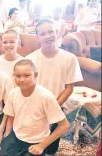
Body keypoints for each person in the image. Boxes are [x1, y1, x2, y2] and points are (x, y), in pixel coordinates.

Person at [26, 20, 83, 155]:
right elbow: (27, 86)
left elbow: (69, 88)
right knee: (33, 144)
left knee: (51, 147)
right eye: (43, 33)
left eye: (51, 31)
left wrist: (52, 109)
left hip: (57, 106)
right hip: (35, 107)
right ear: (37, 38)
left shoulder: (69, 58)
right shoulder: (30, 59)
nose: (48, 36)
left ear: (57, 33)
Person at [0, 59, 70, 156]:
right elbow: (10, 116)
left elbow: (64, 125)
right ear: (13, 76)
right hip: (16, 137)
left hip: (36, 142)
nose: (22, 79)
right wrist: (7, 137)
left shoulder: (46, 96)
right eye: (18, 76)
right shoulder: (13, 93)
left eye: (26, 75)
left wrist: (42, 146)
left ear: (35, 75)